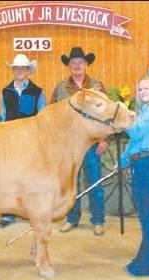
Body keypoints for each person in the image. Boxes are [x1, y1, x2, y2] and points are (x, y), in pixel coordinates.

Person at [51, 47, 109, 236]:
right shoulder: (61, 88)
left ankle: (98, 220)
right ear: (68, 66)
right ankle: (72, 218)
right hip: (68, 146)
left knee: (94, 182)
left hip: (91, 144)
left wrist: (104, 138)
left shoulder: (97, 85)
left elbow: (107, 114)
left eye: (80, 62)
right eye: (73, 63)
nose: (77, 66)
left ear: (86, 65)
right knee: (70, 183)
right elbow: (53, 114)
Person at [117, 76, 149, 277]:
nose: (142, 91)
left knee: (147, 215)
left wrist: (122, 117)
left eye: (146, 88)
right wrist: (121, 162)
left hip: (146, 165)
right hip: (140, 162)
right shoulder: (145, 111)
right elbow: (133, 145)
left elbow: (136, 132)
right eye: (140, 89)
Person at [0, 54, 47, 229]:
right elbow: (2, 117)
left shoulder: (38, 92)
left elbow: (42, 117)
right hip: (9, 142)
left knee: (29, 178)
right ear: (13, 71)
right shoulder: (5, 91)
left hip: (30, 142)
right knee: (8, 177)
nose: (19, 71)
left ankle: (30, 211)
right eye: (16, 68)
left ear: (28, 71)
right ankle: (7, 214)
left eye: (22, 68)